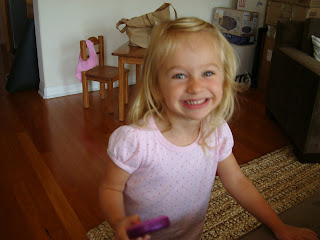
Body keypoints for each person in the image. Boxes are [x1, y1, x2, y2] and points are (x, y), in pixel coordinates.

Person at [99, 17, 319, 240]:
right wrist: (119, 222)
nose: (195, 87)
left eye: (207, 73)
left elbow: (237, 181)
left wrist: (279, 227)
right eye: (179, 75)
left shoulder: (216, 131)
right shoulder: (136, 140)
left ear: (224, 80)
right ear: (156, 87)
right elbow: (110, 189)